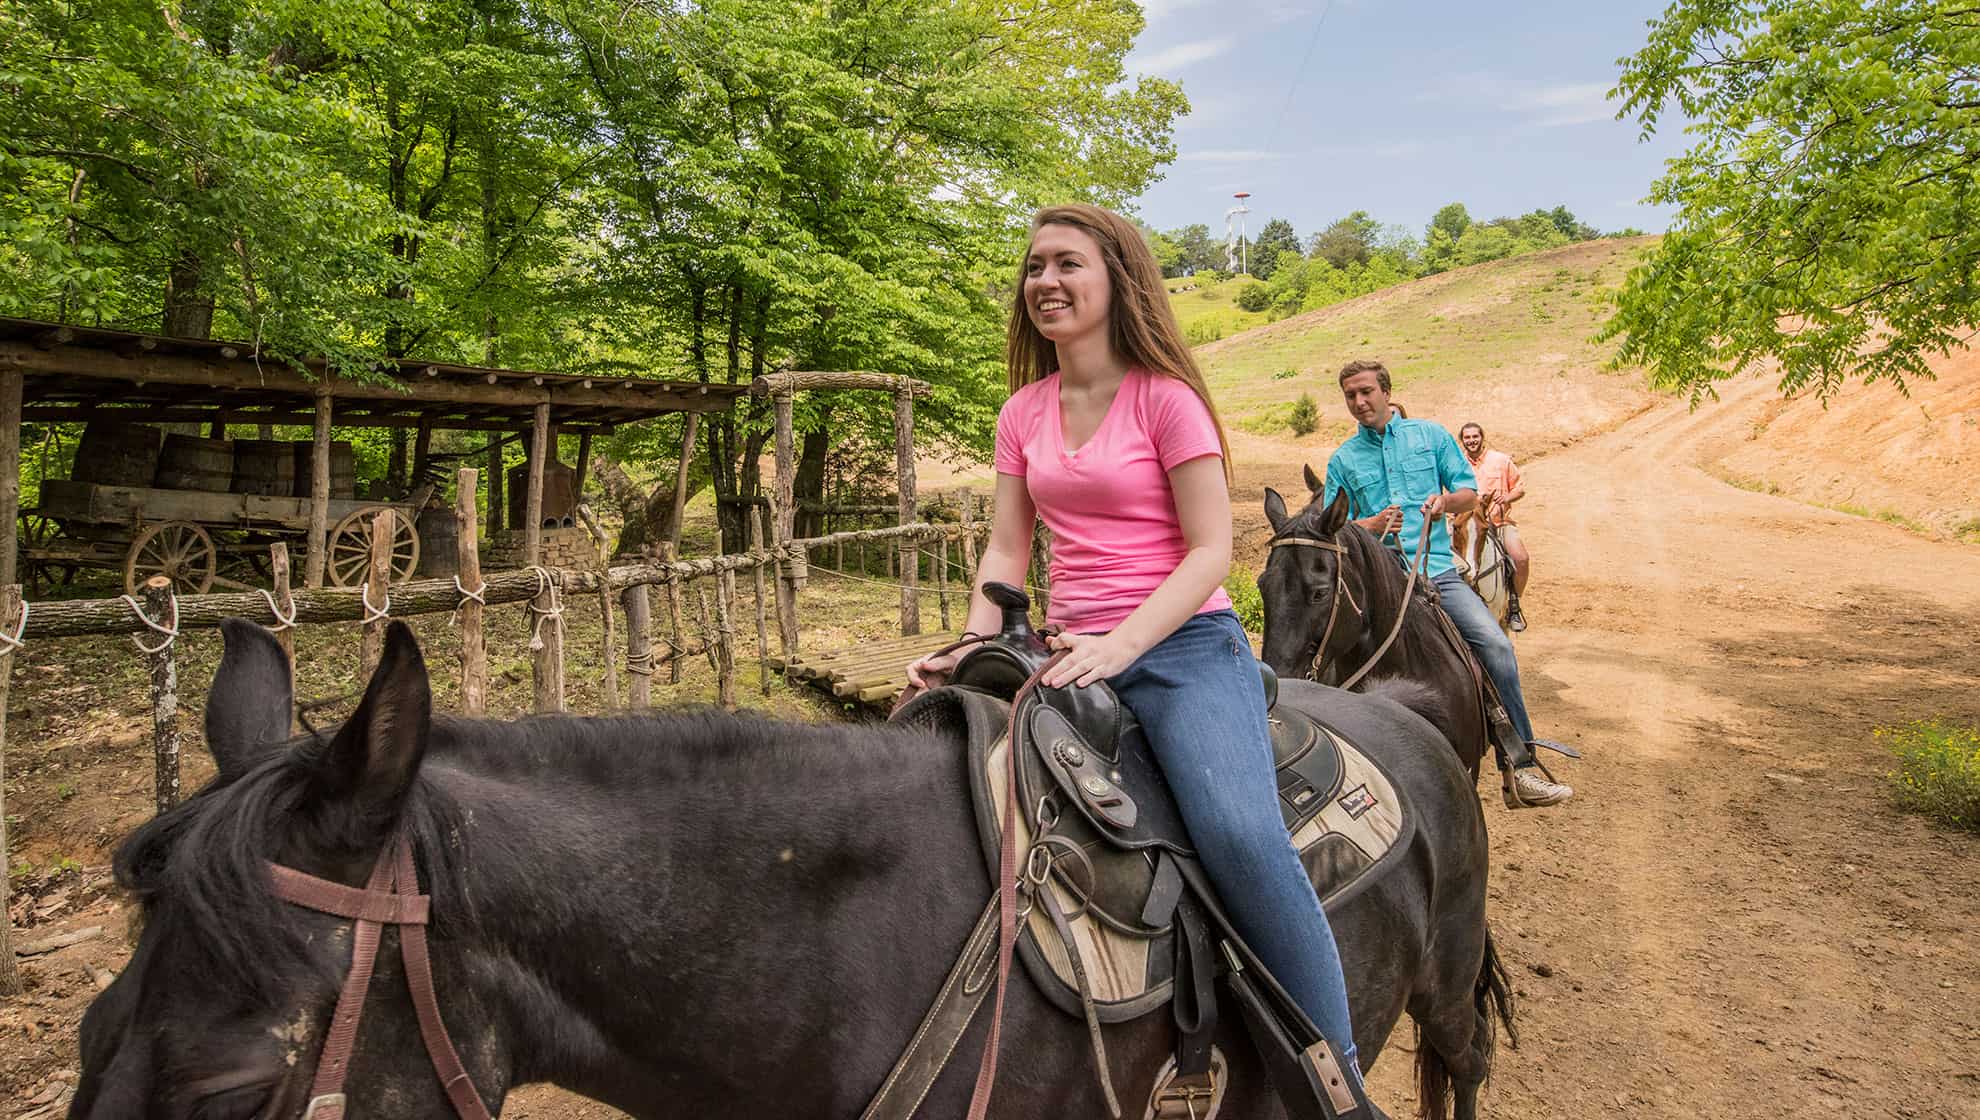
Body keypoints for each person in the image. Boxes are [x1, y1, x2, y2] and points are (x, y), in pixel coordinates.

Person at [908, 204, 1386, 1117]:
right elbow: (1007, 553)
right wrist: (972, 646)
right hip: (1064, 645)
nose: (1044, 281)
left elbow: (1210, 550)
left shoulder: (1167, 398)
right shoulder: (1022, 412)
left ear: (1116, 280)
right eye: (1033, 266)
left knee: (1240, 836)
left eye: (1067, 264)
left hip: (1179, 644)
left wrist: (1121, 644)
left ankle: (1340, 1085)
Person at [1321, 360, 1572, 808]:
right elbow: (1331, 527)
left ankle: (1520, 764)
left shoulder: (1431, 436)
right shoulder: (1343, 459)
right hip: (1377, 584)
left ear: (1385, 391)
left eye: (1365, 392)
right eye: (1350, 396)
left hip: (1437, 571)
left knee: (1495, 648)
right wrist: (1370, 524)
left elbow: (1468, 493)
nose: (1359, 403)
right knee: (1321, 657)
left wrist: (1443, 502)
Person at [1454, 421, 1530, 632]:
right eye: (1467, 437)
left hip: (1498, 522)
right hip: (1465, 525)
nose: (1471, 441)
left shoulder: (1501, 460)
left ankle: (1513, 604)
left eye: (1475, 436)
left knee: (1520, 558)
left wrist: (1507, 497)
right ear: (1462, 440)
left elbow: (1520, 487)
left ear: (1482, 437)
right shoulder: (1457, 463)